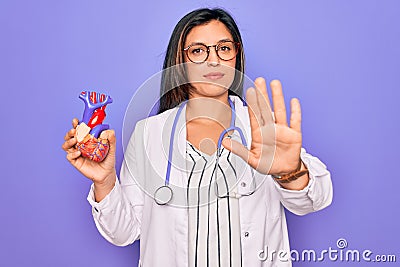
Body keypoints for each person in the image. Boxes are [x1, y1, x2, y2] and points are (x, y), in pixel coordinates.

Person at [62, 8, 332, 267]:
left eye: (224, 48)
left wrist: (292, 173)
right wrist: (105, 181)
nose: (213, 60)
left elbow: (315, 199)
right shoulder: (149, 134)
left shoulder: (263, 128)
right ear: (179, 62)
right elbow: (124, 232)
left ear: (236, 55)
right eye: (198, 51)